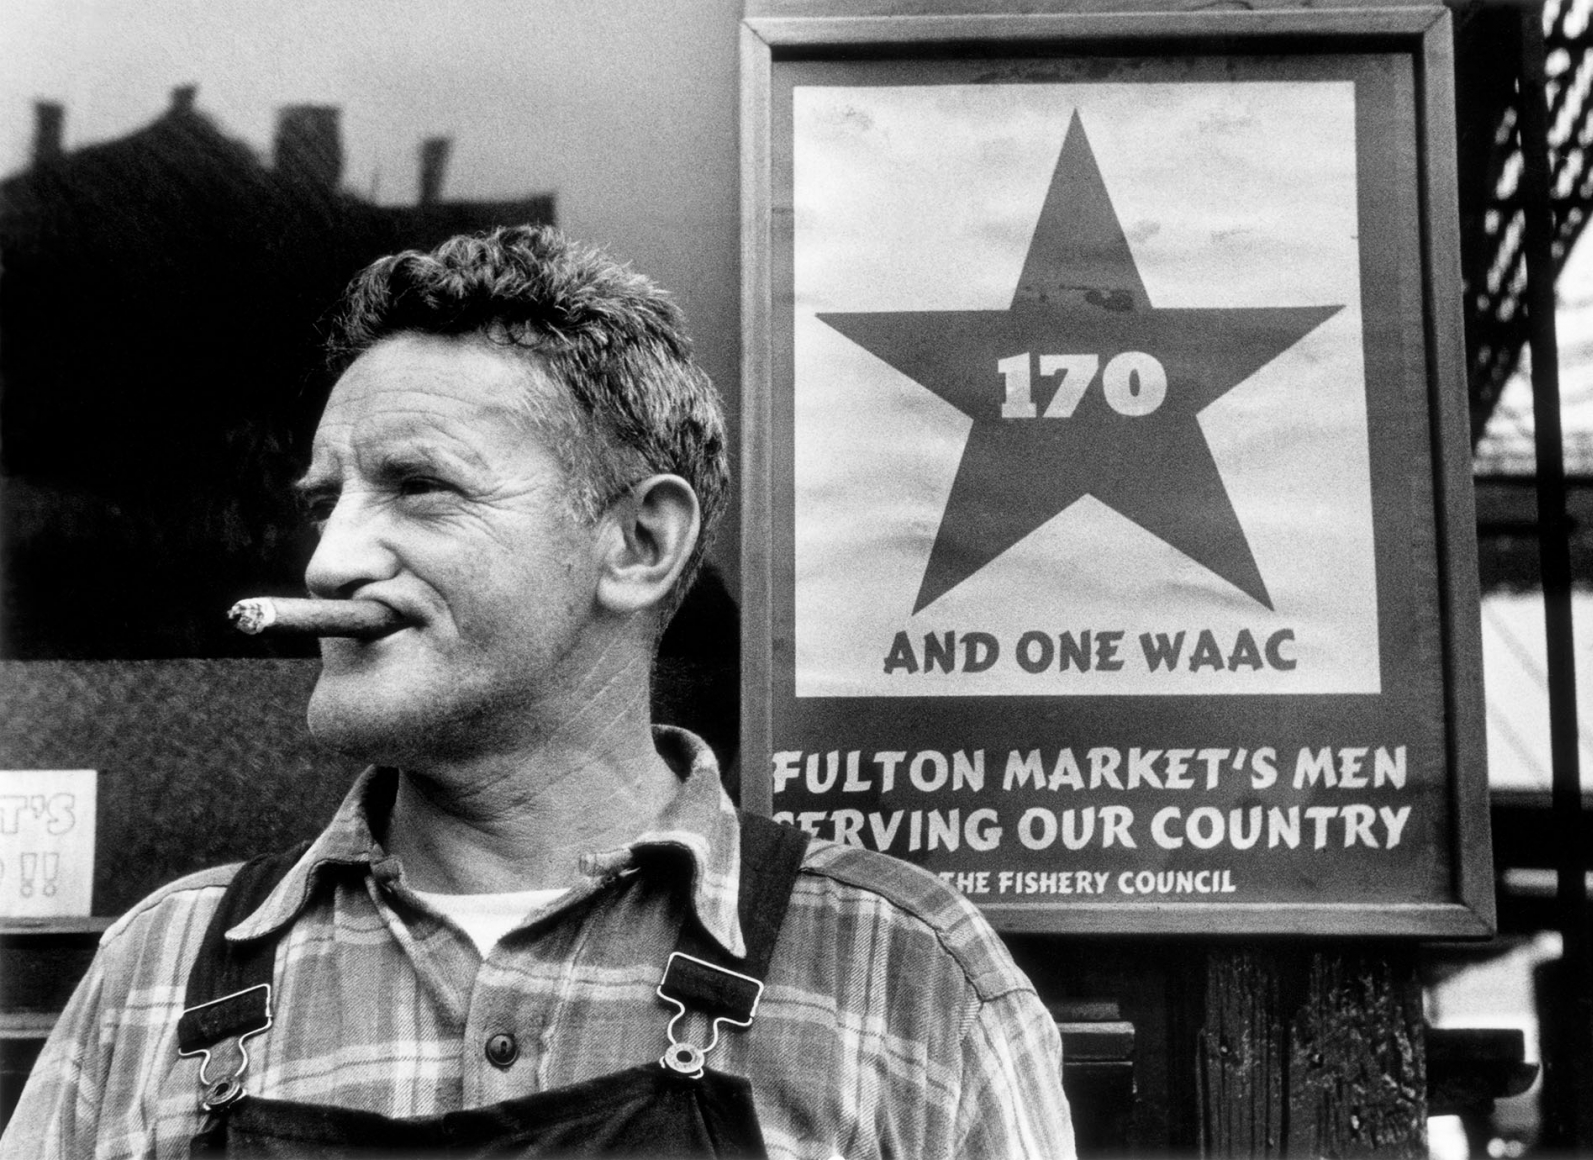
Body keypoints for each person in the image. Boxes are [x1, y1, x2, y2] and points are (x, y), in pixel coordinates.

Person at [1, 227, 1074, 1159]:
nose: (328, 562)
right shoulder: (162, 967)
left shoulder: (901, 972)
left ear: (638, 542)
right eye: (326, 503)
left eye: (418, 486)